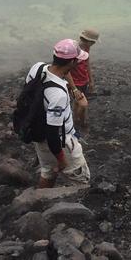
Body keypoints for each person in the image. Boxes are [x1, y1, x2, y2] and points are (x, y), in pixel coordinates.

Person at [25, 39, 91, 187]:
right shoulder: (58, 95)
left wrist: (73, 89)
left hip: (37, 133)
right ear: (72, 63)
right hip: (61, 142)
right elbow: (53, 133)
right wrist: (61, 160)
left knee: (48, 172)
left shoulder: (37, 68)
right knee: (81, 181)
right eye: (76, 61)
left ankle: (39, 202)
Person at [68, 28, 99, 131]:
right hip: (75, 83)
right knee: (83, 104)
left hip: (83, 81)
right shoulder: (73, 51)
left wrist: (91, 80)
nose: (93, 44)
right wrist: (74, 88)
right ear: (90, 41)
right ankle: (76, 123)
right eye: (93, 42)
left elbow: (87, 63)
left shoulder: (86, 48)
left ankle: (78, 121)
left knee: (78, 103)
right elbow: (66, 70)